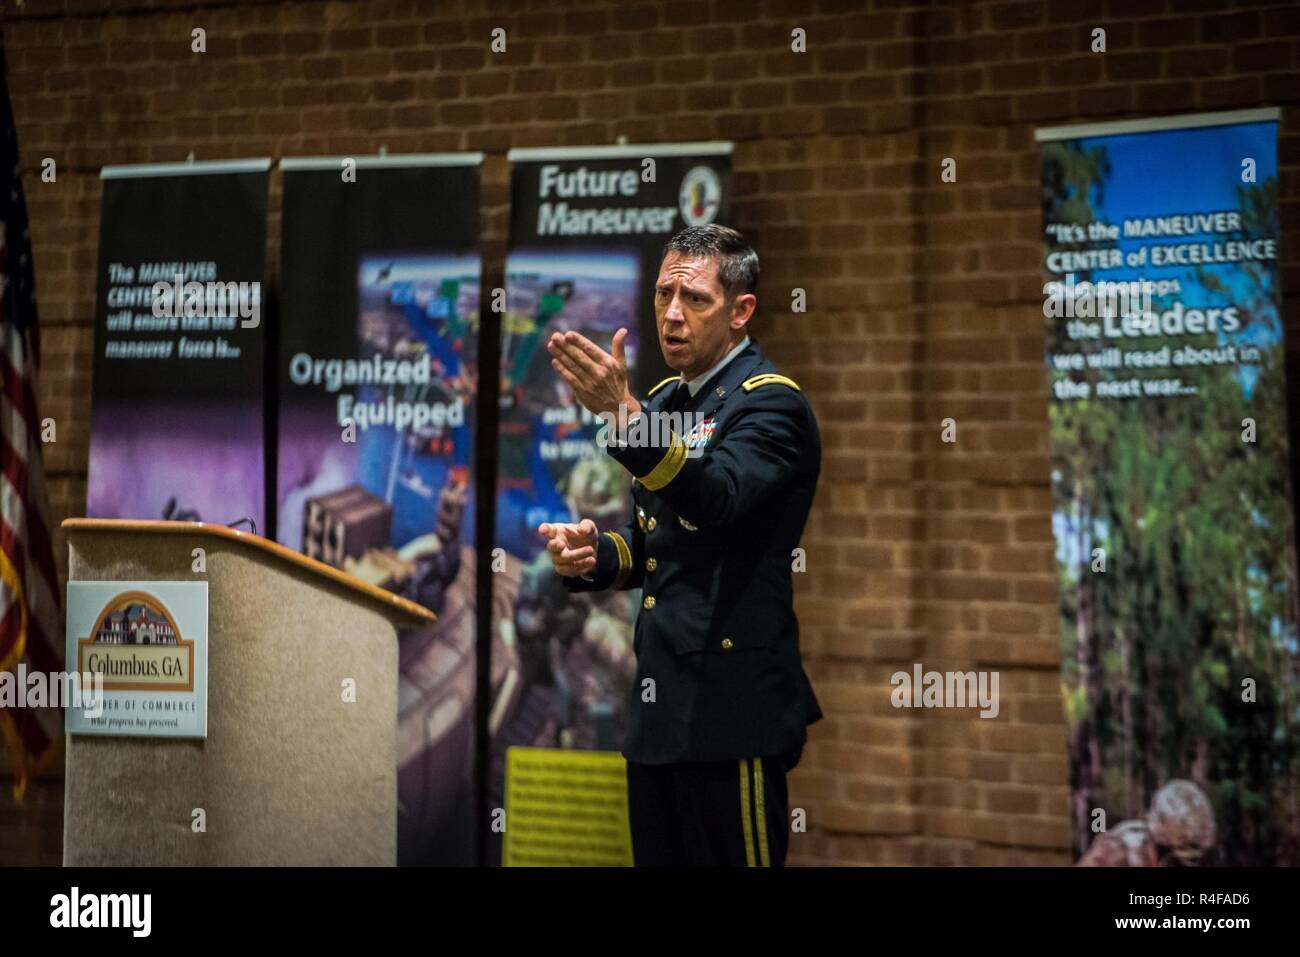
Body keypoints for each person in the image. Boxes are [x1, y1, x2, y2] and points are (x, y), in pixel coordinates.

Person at [538, 224, 822, 866]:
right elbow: (657, 541)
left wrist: (623, 418)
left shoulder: (771, 406)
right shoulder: (667, 401)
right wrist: (593, 554)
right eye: (664, 293)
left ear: (740, 309)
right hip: (660, 712)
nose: (671, 314)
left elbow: (716, 501)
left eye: (694, 299)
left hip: (731, 714)